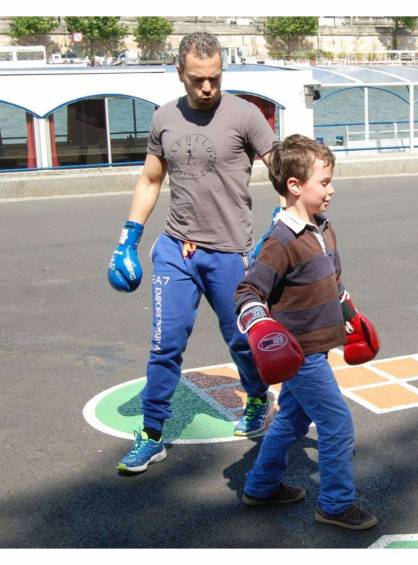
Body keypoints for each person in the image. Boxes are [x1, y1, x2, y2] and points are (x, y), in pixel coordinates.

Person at [108, 32, 277, 474]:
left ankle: (258, 396)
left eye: (215, 78)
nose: (207, 88)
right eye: (198, 79)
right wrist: (129, 236)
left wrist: (289, 215)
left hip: (229, 252)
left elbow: (280, 167)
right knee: (164, 347)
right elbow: (150, 179)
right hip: (175, 250)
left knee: (240, 339)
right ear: (180, 73)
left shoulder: (245, 115)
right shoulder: (164, 117)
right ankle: (151, 434)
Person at [232, 134, 380, 530]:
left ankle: (260, 486)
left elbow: (332, 279)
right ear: (295, 186)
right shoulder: (280, 241)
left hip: (321, 344)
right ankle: (335, 504)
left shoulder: (323, 227)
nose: (331, 189)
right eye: (325, 181)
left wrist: (350, 314)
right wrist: (262, 328)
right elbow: (248, 292)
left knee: (292, 421)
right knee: (336, 424)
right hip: (299, 354)